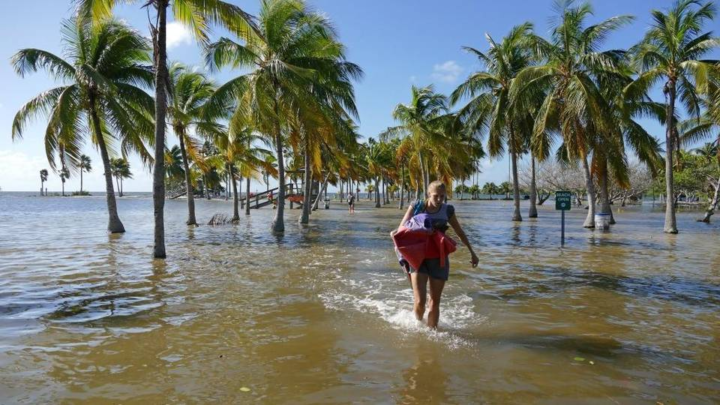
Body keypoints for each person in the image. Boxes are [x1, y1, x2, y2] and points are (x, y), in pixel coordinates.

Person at [391, 180, 479, 329]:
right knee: (419, 301)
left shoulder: (447, 210)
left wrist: (472, 252)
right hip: (418, 258)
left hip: (439, 258)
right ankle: (418, 330)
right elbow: (401, 229)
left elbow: (459, 232)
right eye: (435, 196)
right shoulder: (417, 206)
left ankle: (432, 334)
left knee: (435, 301)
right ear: (428, 194)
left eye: (442, 196)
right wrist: (422, 229)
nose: (439, 200)